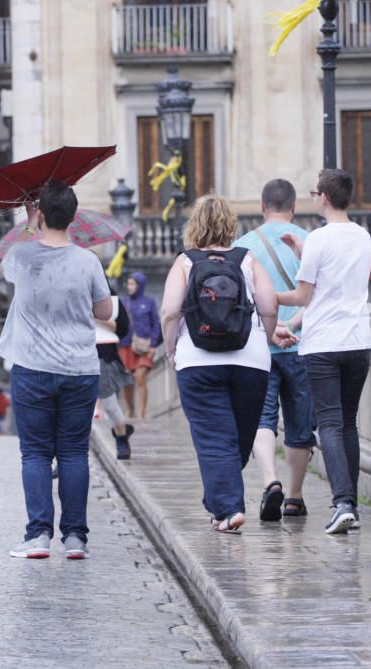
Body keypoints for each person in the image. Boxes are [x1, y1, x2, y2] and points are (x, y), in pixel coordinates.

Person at [0, 180, 112, 560]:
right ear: (75, 217)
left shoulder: (22, 257)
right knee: (74, 453)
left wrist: (30, 224)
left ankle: (39, 536)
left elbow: (7, 271)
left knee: (35, 454)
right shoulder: (88, 261)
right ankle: (76, 538)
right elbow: (105, 313)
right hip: (80, 368)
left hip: (32, 368)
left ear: (42, 214)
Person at [159, 194, 277, 534]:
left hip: (198, 360)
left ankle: (228, 508)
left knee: (214, 438)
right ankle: (222, 503)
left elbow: (169, 312)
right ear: (230, 225)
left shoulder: (185, 262)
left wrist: (172, 350)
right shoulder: (247, 259)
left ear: (195, 225)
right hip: (251, 361)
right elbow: (269, 307)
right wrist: (263, 339)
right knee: (238, 437)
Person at [277, 169, 371, 535]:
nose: (312, 197)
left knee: (329, 423)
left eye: (314, 192)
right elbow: (338, 281)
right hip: (357, 341)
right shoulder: (363, 236)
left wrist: (265, 296)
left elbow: (303, 296)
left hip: (324, 346)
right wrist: (302, 253)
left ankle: (342, 503)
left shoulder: (318, 238)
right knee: (348, 423)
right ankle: (352, 505)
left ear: (324, 198)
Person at [234, 179, 317, 521]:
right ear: (293, 207)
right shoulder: (309, 242)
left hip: (260, 346)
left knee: (263, 418)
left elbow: (241, 300)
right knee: (300, 424)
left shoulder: (243, 246)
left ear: (262, 206)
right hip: (302, 345)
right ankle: (295, 497)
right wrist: (291, 326)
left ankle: (271, 481)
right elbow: (316, 296)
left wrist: (273, 329)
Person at [96, 287, 135, 459]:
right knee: (71, 409)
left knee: (110, 405)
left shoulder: (109, 297)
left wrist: (95, 316)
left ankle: (121, 435)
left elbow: (123, 328)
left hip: (104, 355)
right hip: (73, 356)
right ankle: (65, 458)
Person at [119, 272, 162, 420]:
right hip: (125, 345)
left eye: (132, 284)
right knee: (127, 381)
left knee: (140, 377)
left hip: (144, 347)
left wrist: (154, 344)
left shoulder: (149, 302)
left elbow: (156, 324)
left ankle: (143, 413)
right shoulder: (123, 301)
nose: (129, 287)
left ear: (140, 285)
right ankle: (131, 409)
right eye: (128, 284)